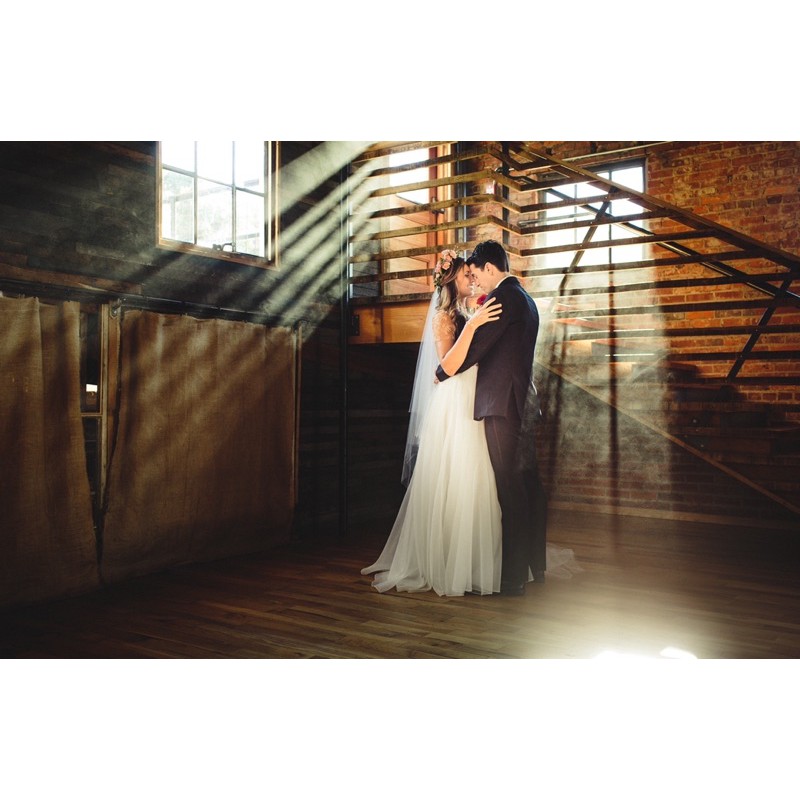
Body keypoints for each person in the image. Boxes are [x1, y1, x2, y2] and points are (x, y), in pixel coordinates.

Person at [361, 250, 505, 596]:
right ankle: (444, 560)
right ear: (452, 280)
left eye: (474, 274)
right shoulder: (445, 316)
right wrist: (474, 326)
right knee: (456, 473)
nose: (473, 279)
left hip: (475, 394)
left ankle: (474, 559)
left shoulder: (470, 309)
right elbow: (447, 365)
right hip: (455, 400)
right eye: (466, 275)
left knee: (477, 474)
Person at [435, 239, 547, 596]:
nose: (476, 282)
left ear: (489, 268)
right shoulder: (525, 299)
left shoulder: (501, 298)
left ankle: (512, 579)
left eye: (477, 274)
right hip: (521, 402)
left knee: (509, 490)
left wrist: (442, 372)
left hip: (502, 405)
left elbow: (477, 348)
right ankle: (535, 566)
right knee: (529, 485)